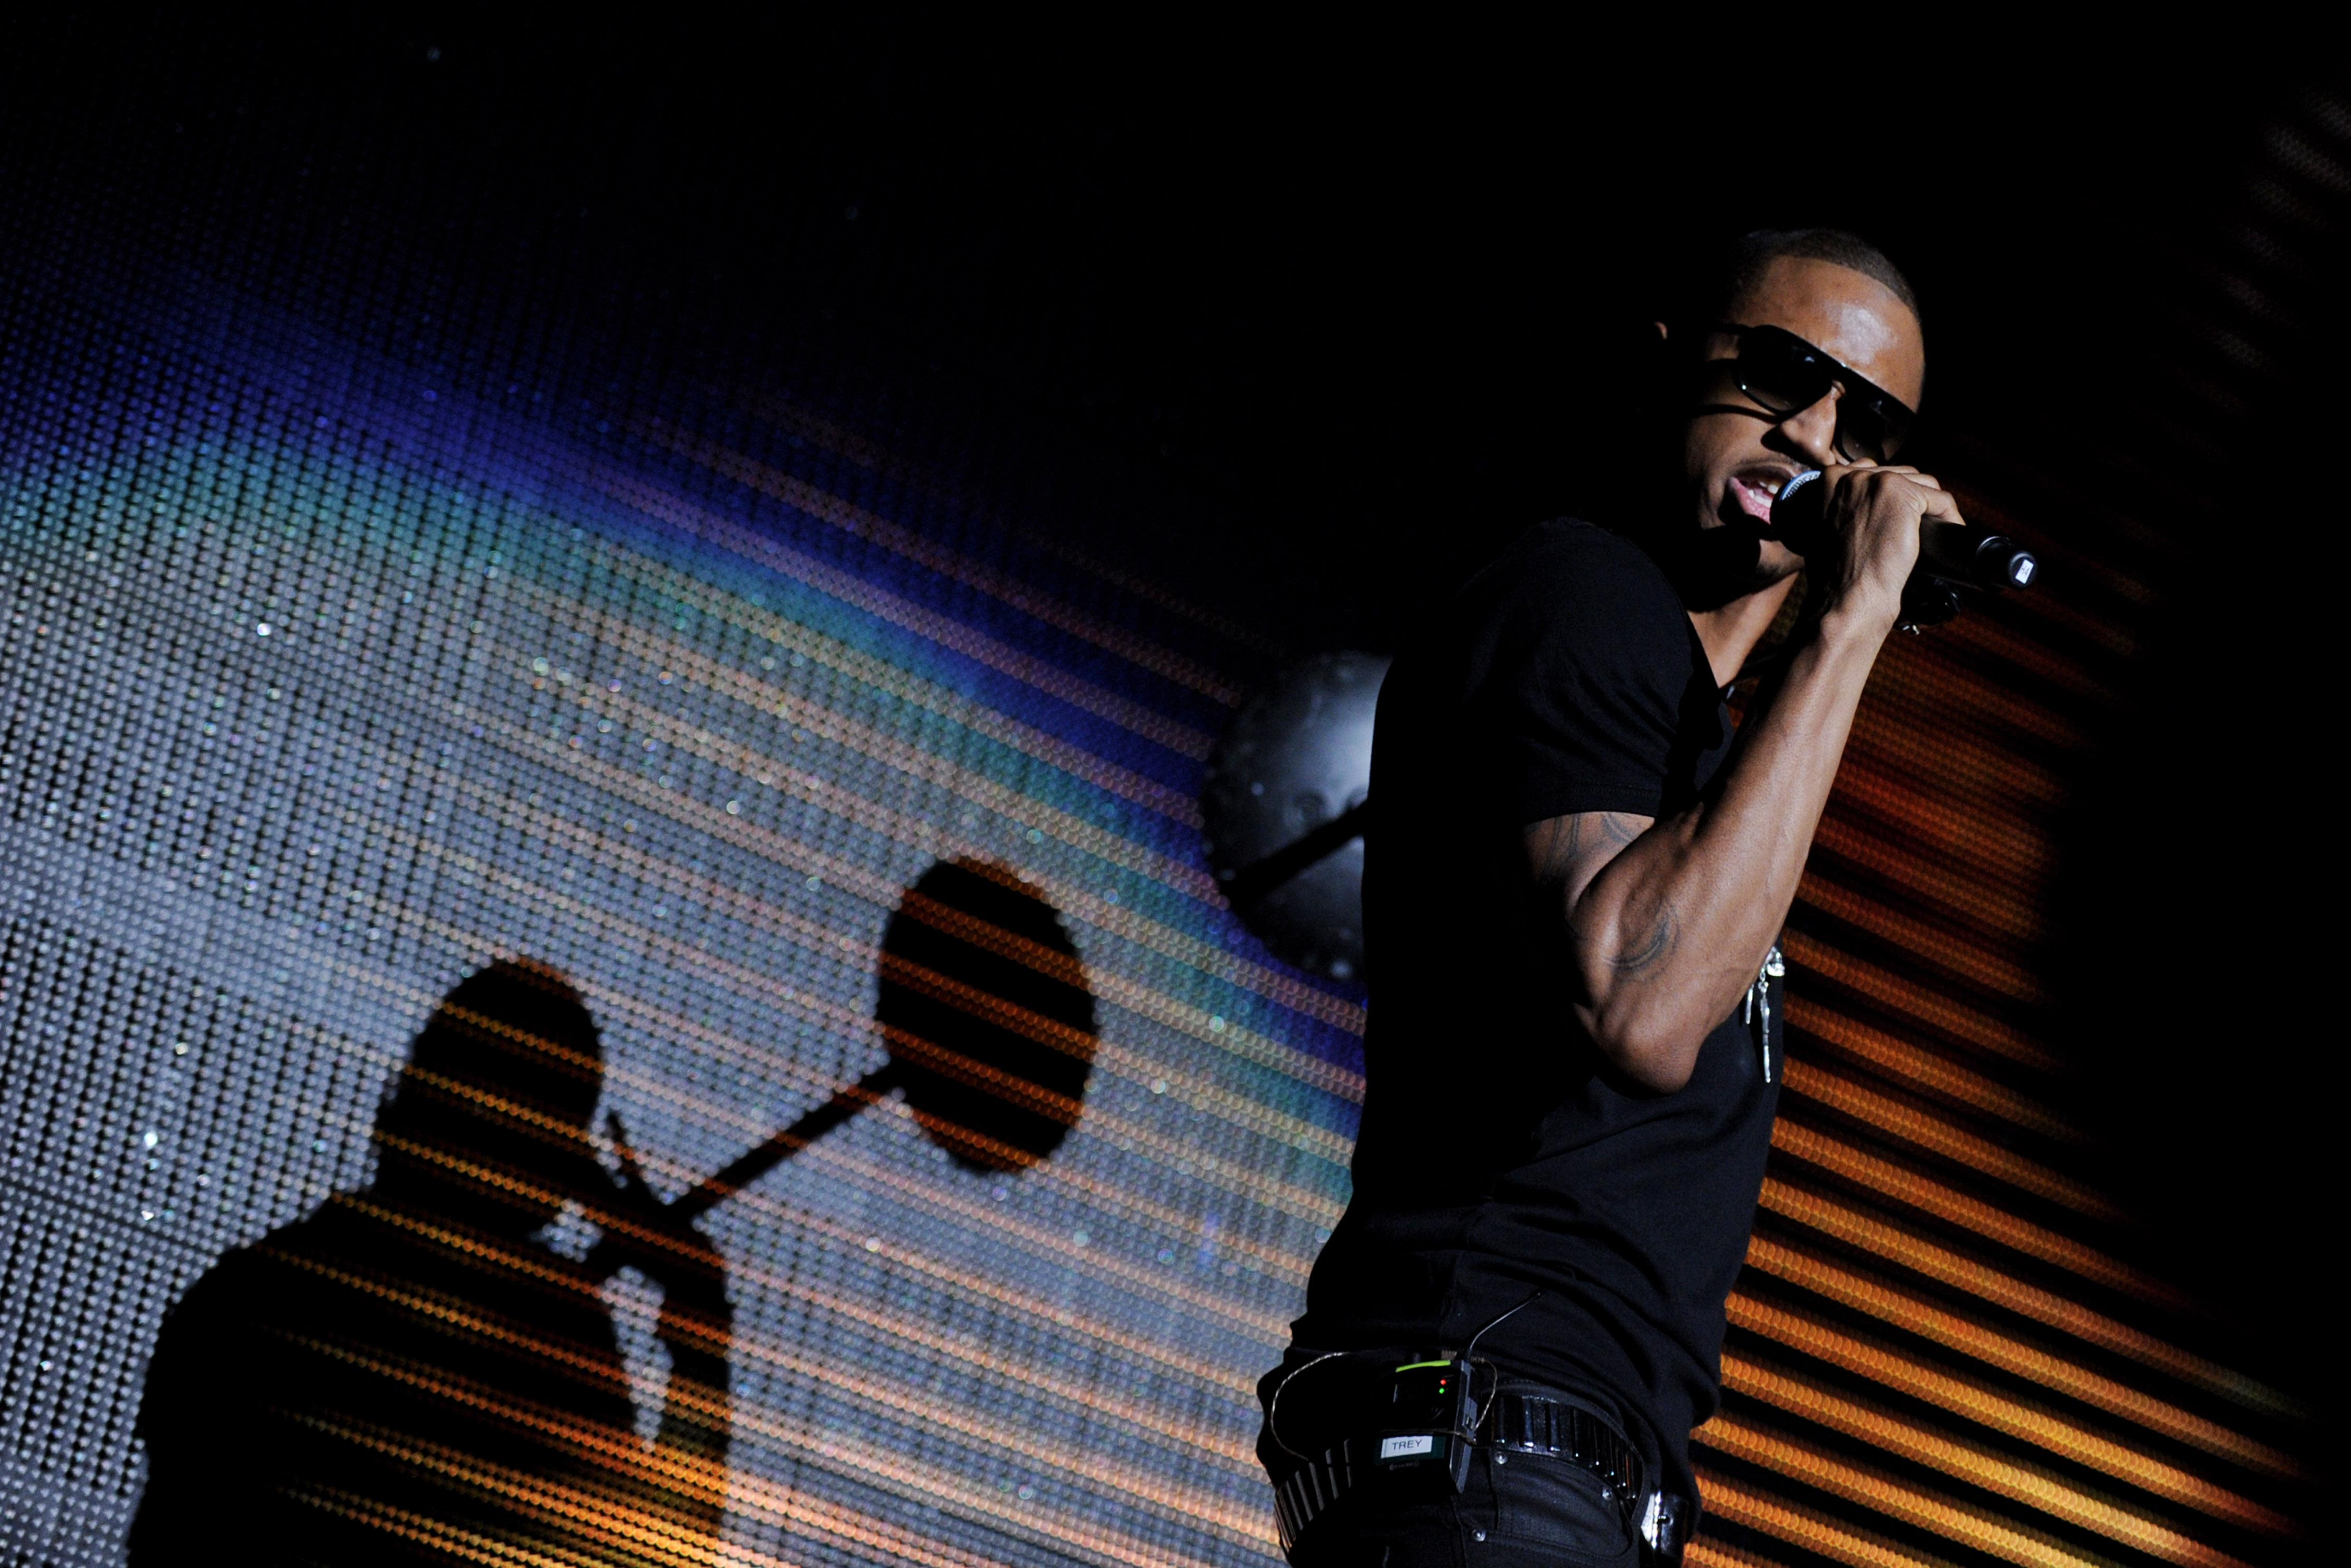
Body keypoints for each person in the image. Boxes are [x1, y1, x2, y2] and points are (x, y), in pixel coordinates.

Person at [1257, 228, 1948, 1565]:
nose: (1810, 435)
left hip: (1550, 1468)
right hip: (1495, 1433)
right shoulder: (1583, 594)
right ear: (1667, 369)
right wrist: (1855, 616)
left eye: (1862, 420)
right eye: (1779, 376)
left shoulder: (1702, 744)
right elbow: (1636, 999)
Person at [129, 959, 734, 1565]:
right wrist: (698, 1321)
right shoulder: (560, 1353)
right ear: (561, 1169)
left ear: (411, 1096)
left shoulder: (248, 1298)